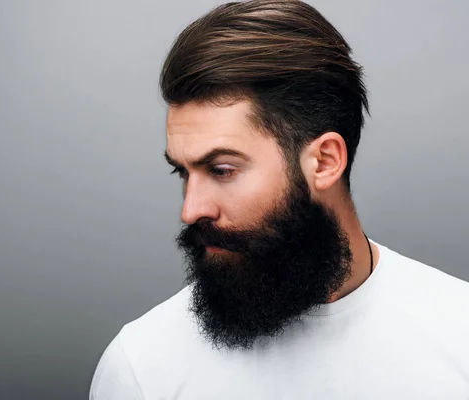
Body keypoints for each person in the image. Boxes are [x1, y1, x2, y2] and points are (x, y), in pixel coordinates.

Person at [89, 0, 469, 398]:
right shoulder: (142, 368)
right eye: (183, 172)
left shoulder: (458, 335)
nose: (190, 210)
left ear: (323, 162)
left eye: (222, 170)